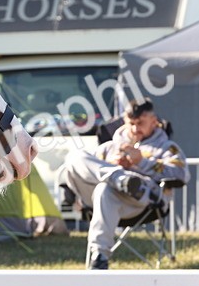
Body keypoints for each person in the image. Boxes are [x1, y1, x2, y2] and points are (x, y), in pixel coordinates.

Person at [57, 98, 188, 270]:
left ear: (154, 121)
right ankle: (119, 178)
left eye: (140, 123)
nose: (135, 129)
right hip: (100, 198)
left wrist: (142, 162)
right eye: (131, 123)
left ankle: (100, 257)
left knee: (104, 189)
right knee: (75, 157)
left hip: (144, 202)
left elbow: (181, 174)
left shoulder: (166, 147)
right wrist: (114, 166)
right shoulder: (108, 147)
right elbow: (85, 168)